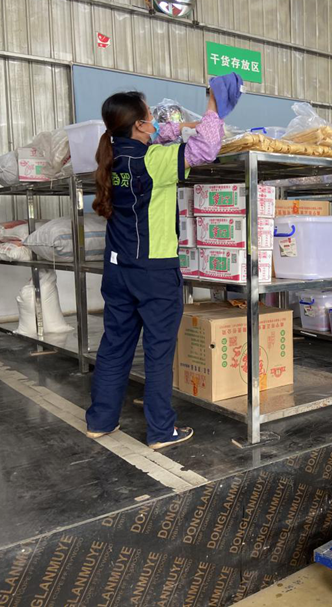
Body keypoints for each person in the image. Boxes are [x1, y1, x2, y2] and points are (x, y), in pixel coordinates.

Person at [85, 74, 241, 449]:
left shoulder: (111, 157)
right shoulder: (155, 161)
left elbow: (161, 136)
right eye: (150, 118)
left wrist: (176, 127)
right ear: (139, 125)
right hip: (154, 271)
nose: (155, 123)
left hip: (117, 269)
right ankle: (160, 430)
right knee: (158, 352)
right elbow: (206, 149)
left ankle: (100, 420)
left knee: (115, 345)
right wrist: (213, 106)